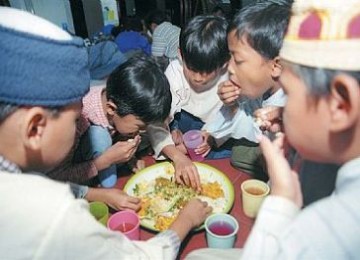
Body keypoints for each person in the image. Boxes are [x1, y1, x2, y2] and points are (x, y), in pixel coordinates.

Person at [0, 6, 212, 259]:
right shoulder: (51, 211)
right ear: (35, 127)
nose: (82, 115)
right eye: (75, 114)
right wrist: (185, 220)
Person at [187, 0, 360, 258]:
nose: (229, 68)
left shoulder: (335, 227)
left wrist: (282, 201)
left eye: (288, 94)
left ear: (340, 105)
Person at [47, 54, 172, 188]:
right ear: (111, 108)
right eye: (140, 126)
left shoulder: (118, 103)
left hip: (100, 146)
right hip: (60, 174)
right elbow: (55, 177)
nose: (142, 131)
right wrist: (105, 161)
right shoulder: (77, 119)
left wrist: (130, 158)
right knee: (100, 137)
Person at [203, 0, 290, 180]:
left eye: (239, 60)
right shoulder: (264, 88)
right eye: (230, 56)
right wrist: (233, 104)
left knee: (242, 155)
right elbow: (250, 125)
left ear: (276, 66)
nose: (230, 68)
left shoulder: (294, 106)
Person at [147, 15, 231, 190]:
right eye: (191, 68)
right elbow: (156, 121)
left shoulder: (231, 76)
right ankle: (177, 129)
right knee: (160, 124)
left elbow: (232, 115)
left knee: (230, 146)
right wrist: (178, 156)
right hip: (185, 116)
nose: (198, 78)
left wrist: (211, 137)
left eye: (207, 72)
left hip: (214, 123)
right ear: (180, 54)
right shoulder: (174, 71)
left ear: (224, 63)